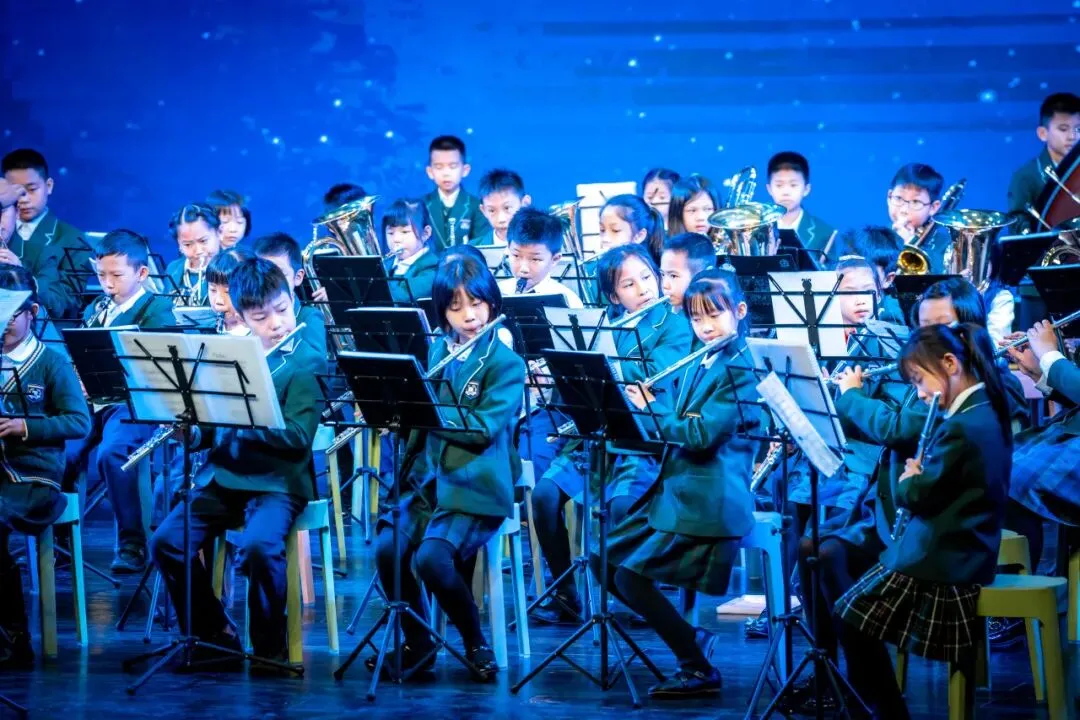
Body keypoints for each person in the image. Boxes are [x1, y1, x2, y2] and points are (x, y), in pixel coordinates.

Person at [790, 277, 1025, 711]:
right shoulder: (941, 382)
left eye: (941, 326)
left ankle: (871, 698)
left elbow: (899, 429)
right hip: (898, 514)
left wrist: (852, 396)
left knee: (840, 582)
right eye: (922, 327)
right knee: (813, 549)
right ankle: (834, 678)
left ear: (967, 328)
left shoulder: (985, 388)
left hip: (937, 533)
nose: (928, 337)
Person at [149, 258, 326, 666]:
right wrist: (191, 433)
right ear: (243, 317)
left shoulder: (307, 360)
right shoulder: (227, 356)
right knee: (166, 543)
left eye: (282, 310)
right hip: (226, 475)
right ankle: (214, 632)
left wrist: (246, 420)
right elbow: (212, 427)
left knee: (260, 547)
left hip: (278, 482)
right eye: (261, 317)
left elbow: (299, 439)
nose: (276, 324)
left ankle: (269, 646)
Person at [834, 322, 1012, 719]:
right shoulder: (984, 408)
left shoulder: (962, 426)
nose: (919, 394)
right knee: (851, 605)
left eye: (919, 380)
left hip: (946, 557)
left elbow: (915, 496)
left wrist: (909, 477)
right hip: (959, 544)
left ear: (950, 363)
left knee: (849, 617)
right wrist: (919, 474)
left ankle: (887, 712)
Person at [593, 272, 757, 697]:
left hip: (709, 500)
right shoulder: (702, 357)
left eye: (715, 315)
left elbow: (700, 436)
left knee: (629, 579)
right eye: (696, 318)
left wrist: (653, 408)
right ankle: (689, 638)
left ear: (739, 311)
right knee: (602, 561)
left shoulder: (743, 367)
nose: (706, 327)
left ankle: (697, 666)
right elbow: (680, 427)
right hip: (678, 490)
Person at [367, 254, 523, 681]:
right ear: (442, 312)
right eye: (455, 307)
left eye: (476, 303)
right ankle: (418, 643)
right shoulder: (437, 349)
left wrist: (427, 409)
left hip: (474, 483)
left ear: (492, 301)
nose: (469, 316)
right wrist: (395, 414)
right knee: (387, 550)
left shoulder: (505, 362)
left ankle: (474, 642)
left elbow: (483, 428)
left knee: (433, 560)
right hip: (426, 482)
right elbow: (419, 422)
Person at [531, 245, 691, 625]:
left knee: (622, 506)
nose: (644, 288)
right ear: (614, 296)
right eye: (629, 284)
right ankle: (566, 594)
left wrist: (603, 366)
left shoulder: (675, 324)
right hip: (597, 436)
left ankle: (640, 594)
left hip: (641, 439)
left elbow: (655, 373)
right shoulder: (599, 326)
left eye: (647, 277)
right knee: (543, 496)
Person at [64, 230, 176, 573]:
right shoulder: (95, 308)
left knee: (114, 453)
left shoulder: (157, 309)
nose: (107, 284)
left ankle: (132, 543)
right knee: (61, 450)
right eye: (101, 275)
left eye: (116, 275)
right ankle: (60, 541)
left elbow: (156, 371)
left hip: (131, 405)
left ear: (142, 273)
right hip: (91, 403)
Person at [0, 265, 91, 668]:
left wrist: (26, 426)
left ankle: (14, 637)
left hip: (34, 478)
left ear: (31, 312)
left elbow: (79, 422)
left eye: (10, 314)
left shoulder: (51, 362)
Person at [1, 149, 89, 319]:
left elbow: (69, 303)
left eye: (31, 189)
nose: (23, 199)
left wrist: (23, 275)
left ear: (48, 186)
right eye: (16, 191)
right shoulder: (3, 231)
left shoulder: (73, 239)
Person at [252, 233, 327, 358]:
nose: (270, 281)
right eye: (263, 274)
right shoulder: (250, 313)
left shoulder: (310, 317)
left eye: (280, 274)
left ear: (297, 277)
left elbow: (315, 363)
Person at [1007, 92, 1080, 214]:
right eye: (1063, 129)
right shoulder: (1026, 177)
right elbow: (1019, 221)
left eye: (1078, 129)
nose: (1073, 136)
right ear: (1043, 134)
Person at [499, 207, 582, 307]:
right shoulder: (497, 292)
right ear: (508, 250)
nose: (524, 269)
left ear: (555, 259)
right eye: (516, 256)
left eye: (535, 259)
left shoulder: (570, 302)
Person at [765, 151, 836, 264]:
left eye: (793, 185)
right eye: (779, 185)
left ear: (806, 189)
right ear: (769, 189)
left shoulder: (824, 232)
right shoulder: (757, 230)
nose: (786, 192)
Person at [423, 135, 491, 250]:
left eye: (453, 166)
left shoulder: (477, 206)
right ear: (430, 171)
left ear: (465, 170)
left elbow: (482, 245)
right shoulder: (420, 206)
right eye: (439, 167)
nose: (446, 173)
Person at [886, 163, 951, 274]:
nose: (904, 210)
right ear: (889, 197)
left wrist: (909, 245)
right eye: (898, 198)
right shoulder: (874, 237)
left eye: (915, 202)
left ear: (933, 207)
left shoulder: (946, 246)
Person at [382, 198, 439, 303]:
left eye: (405, 232)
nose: (396, 239)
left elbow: (402, 297)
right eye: (390, 233)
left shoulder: (433, 267)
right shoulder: (386, 264)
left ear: (425, 233)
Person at [167, 203, 223, 307]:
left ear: (219, 232)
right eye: (187, 244)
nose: (198, 251)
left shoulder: (233, 268)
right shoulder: (173, 269)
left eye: (203, 241)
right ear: (179, 244)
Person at [597, 194, 665, 265]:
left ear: (639, 236)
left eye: (615, 230)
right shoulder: (595, 267)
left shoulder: (645, 269)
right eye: (602, 230)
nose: (605, 239)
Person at [660, 232, 715, 313]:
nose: (664, 285)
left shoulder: (714, 315)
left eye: (673, 276)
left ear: (704, 274)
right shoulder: (662, 311)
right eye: (662, 274)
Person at [474, 169, 531, 247]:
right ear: (483, 211)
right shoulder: (474, 249)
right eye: (492, 211)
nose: (501, 219)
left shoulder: (543, 245)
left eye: (507, 208)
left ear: (525, 203)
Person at [207, 248, 252, 335]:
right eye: (213, 290)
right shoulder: (205, 329)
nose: (219, 301)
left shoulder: (260, 335)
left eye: (228, 292)